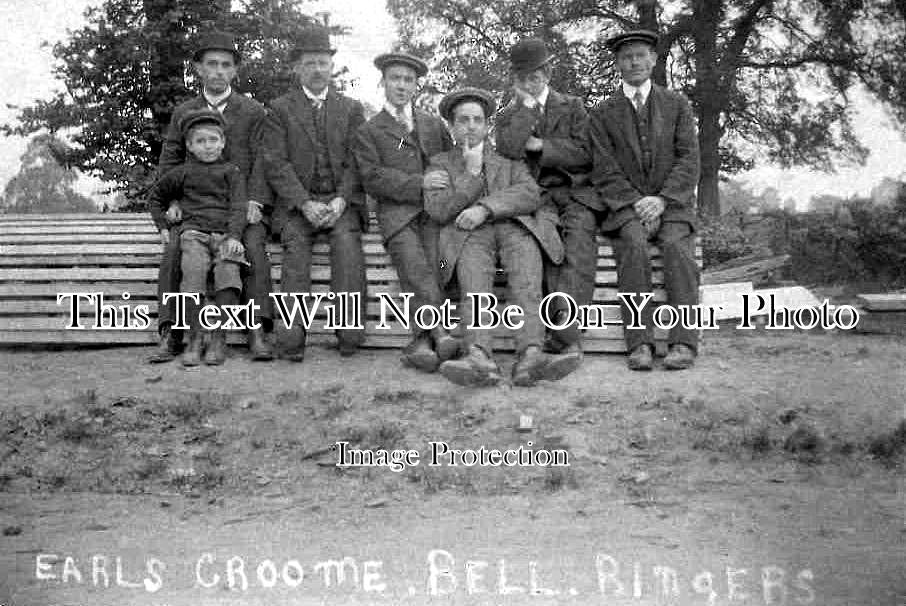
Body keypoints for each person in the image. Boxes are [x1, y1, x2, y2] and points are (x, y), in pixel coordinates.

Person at [424, 88, 582, 387]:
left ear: (487, 126)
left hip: (513, 227)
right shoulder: (441, 164)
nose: (470, 125)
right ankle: (478, 357)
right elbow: (437, 209)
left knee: (527, 277)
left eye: (477, 120)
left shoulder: (508, 160)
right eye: (463, 120)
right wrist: (470, 176)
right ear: (452, 127)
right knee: (474, 283)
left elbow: (529, 193)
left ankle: (531, 356)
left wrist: (485, 208)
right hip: (469, 235)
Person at [149, 30, 274, 364]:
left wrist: (255, 201)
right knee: (175, 247)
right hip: (195, 209)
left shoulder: (252, 111)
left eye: (226, 65)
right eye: (211, 64)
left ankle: (256, 329)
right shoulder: (184, 112)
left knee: (254, 245)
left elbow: (263, 161)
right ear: (199, 69)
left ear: (235, 71)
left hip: (239, 205)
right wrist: (174, 202)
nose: (218, 71)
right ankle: (172, 332)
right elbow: (169, 162)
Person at [589, 30, 701, 370]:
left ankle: (683, 343)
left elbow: (689, 158)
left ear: (653, 60)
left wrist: (663, 200)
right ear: (617, 64)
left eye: (640, 55)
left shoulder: (676, 104)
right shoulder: (603, 113)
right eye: (626, 57)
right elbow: (603, 168)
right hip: (626, 208)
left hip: (673, 205)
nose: (634, 62)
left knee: (677, 249)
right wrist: (637, 203)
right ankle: (640, 345)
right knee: (634, 247)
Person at [254, 26, 366, 361]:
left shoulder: (350, 108)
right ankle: (291, 336)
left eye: (323, 63)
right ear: (297, 68)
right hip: (296, 206)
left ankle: (348, 332)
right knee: (295, 251)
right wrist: (304, 203)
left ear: (331, 67)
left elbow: (358, 161)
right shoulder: (279, 109)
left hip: (339, 202)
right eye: (310, 63)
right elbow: (276, 164)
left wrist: (342, 199)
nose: (317, 69)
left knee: (347, 245)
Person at [353, 51, 459, 372]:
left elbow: (449, 161)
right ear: (382, 82)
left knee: (437, 262)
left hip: (433, 214)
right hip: (397, 215)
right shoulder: (370, 130)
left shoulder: (430, 123)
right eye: (395, 78)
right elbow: (372, 177)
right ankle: (439, 331)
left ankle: (422, 341)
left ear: (417, 86)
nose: (401, 85)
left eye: (408, 80)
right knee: (414, 264)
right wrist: (420, 183)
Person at [495, 38, 599, 361]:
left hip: (574, 192)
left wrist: (543, 147)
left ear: (548, 73)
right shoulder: (507, 116)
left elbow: (586, 153)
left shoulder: (573, 107)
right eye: (523, 77)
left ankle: (566, 332)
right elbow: (509, 151)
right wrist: (525, 109)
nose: (530, 83)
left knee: (579, 244)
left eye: (536, 76)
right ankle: (559, 338)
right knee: (543, 246)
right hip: (534, 198)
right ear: (515, 80)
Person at [148, 109, 247, 367]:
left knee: (228, 274)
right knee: (192, 276)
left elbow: (238, 206)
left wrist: (235, 236)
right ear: (189, 146)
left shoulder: (232, 172)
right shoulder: (182, 173)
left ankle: (218, 338)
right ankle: (194, 338)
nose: (208, 147)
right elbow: (156, 196)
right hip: (194, 235)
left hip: (226, 235)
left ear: (223, 142)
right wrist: (162, 226)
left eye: (213, 140)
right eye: (200, 142)